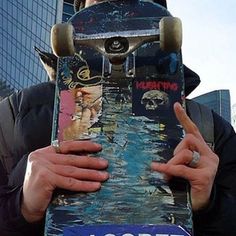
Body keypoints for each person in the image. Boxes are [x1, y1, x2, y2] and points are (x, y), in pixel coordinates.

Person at [0, 1, 236, 236]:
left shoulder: (208, 129)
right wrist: (20, 207)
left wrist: (212, 205)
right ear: (82, 9)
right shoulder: (13, 116)